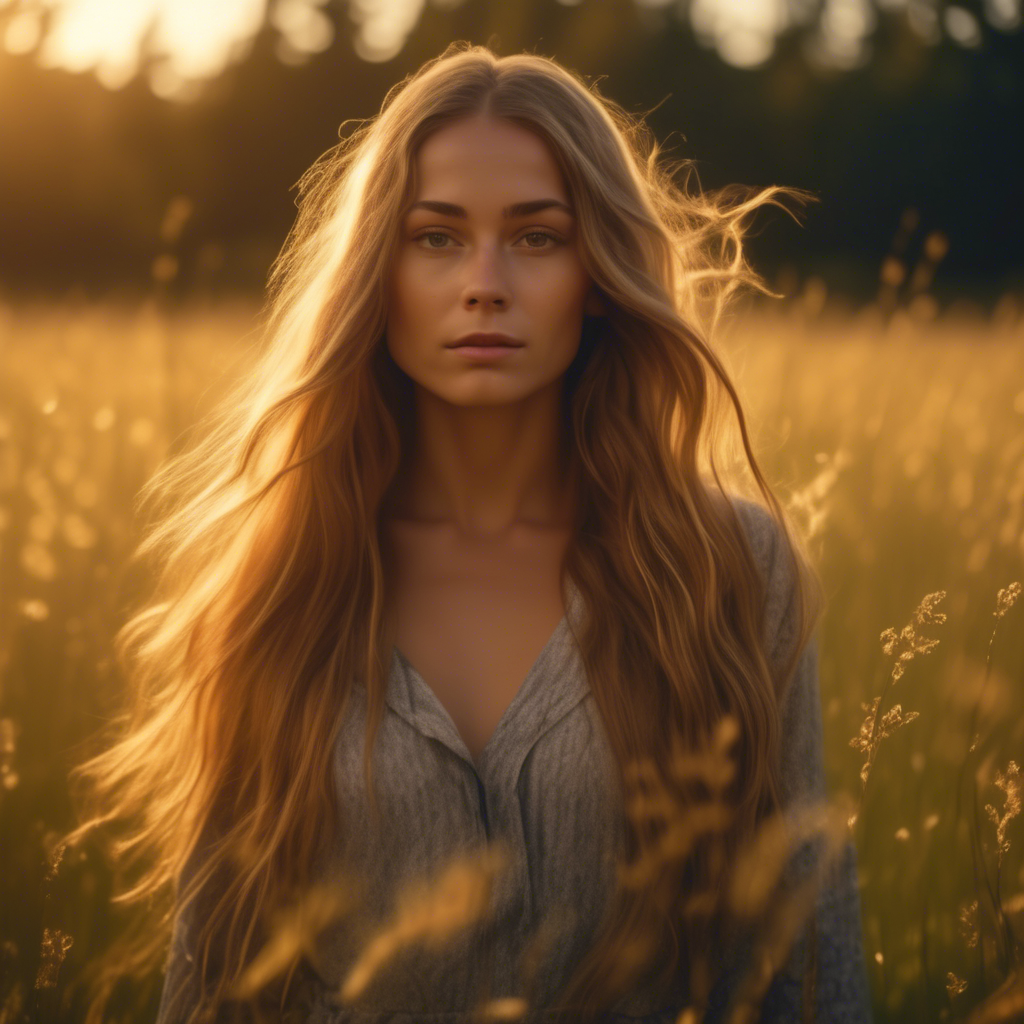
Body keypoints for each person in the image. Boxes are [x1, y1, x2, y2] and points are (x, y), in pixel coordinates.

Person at [63, 42, 872, 1024]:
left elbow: (805, 962)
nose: (484, 283)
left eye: (536, 238)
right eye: (436, 238)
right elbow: (216, 976)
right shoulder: (285, 576)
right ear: (378, 268)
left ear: (598, 270)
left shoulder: (728, 568)